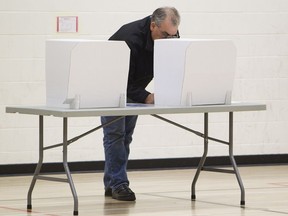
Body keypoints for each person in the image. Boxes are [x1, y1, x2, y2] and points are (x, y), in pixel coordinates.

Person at [101, 7, 181, 201]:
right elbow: (119, 79)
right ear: (153, 25)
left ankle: (112, 183)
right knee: (115, 135)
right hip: (110, 87)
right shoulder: (129, 39)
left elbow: (171, 62)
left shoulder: (168, 35)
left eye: (174, 35)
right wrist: (146, 96)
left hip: (134, 89)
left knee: (125, 137)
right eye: (165, 35)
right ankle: (119, 184)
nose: (170, 41)